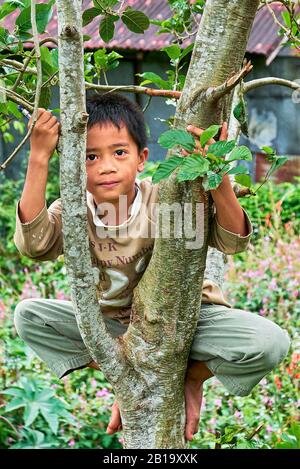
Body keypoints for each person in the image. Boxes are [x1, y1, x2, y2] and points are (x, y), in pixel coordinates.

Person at [13, 93, 290, 442]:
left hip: (191, 320)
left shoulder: (165, 197)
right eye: (89, 157)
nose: (106, 166)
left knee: (271, 342)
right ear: (72, 163)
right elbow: (34, 246)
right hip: (117, 330)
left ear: (141, 158)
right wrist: (38, 157)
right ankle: (125, 375)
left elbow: (234, 241)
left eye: (119, 152)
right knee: (29, 316)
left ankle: (191, 376)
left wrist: (217, 174)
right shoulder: (72, 210)